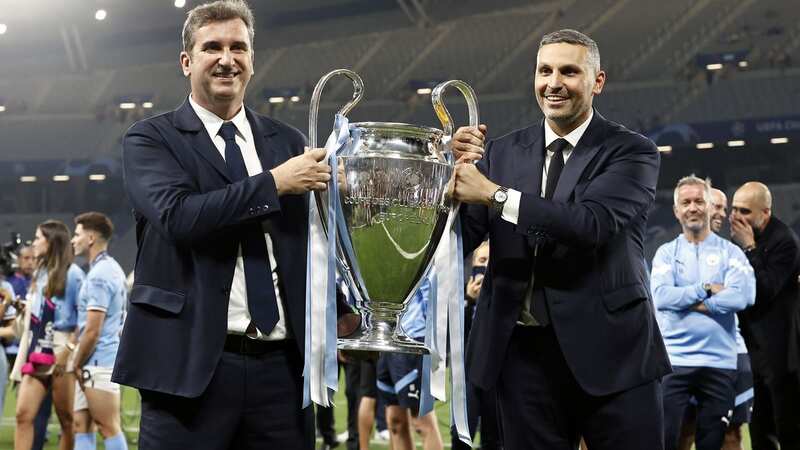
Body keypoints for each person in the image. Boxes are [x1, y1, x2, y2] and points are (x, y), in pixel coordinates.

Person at [113, 1, 332, 449]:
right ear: (187, 61)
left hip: (281, 369)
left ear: (252, 59)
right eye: (212, 47)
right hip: (188, 366)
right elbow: (179, 217)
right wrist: (275, 183)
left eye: (239, 47)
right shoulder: (151, 139)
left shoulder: (287, 141)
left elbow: (313, 240)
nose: (227, 59)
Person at [450, 29, 670, 449]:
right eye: (544, 70)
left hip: (612, 354)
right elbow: (458, 238)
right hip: (519, 358)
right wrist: (449, 174)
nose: (554, 82)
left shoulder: (632, 152)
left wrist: (493, 194)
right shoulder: (500, 152)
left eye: (569, 71)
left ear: (597, 81)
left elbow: (590, 224)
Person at [651, 176, 755, 450]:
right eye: (686, 202)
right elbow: (661, 297)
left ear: (710, 207)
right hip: (674, 362)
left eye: (699, 201)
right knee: (667, 441)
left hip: (720, 363)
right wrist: (706, 288)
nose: (693, 207)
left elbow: (744, 296)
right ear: (676, 211)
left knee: (716, 443)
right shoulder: (665, 253)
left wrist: (686, 298)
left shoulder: (730, 253)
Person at [729, 181, 800, 449]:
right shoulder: (736, 241)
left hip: (781, 353)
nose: (737, 218)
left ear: (765, 213)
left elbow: (763, 289)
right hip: (752, 348)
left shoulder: (785, 242)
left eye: (745, 211)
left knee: (788, 427)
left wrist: (749, 248)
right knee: (759, 428)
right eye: (734, 210)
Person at [12, 220, 84, 450]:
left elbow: (84, 320)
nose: (34, 243)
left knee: (66, 421)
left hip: (62, 347)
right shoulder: (40, 272)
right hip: (36, 347)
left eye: (38, 238)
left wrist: (70, 351)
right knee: (23, 415)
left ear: (51, 241)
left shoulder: (74, 274)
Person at [70, 212, 129, 450]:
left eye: (77, 234)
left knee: (108, 427)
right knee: (81, 424)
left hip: (98, 362)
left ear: (91, 237)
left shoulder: (99, 275)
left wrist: (75, 361)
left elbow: (93, 330)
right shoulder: (108, 268)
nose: (73, 240)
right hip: (96, 362)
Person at [376, 277, 442, 450]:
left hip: (413, 338)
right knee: (394, 421)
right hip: (385, 340)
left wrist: (433, 339)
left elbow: (431, 287)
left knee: (422, 423)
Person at [451, 241, 501, 450]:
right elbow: (454, 339)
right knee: (462, 435)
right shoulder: (461, 298)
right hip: (468, 374)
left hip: (496, 375)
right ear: (472, 265)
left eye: (491, 261)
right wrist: (468, 300)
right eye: (482, 260)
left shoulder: (506, 300)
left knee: (495, 438)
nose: (485, 265)